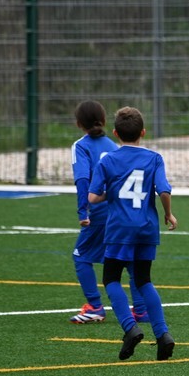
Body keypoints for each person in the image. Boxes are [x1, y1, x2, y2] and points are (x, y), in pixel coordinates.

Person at [88, 106, 177, 361]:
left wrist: (111, 193)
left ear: (115, 133)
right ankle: (163, 334)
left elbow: (93, 197)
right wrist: (168, 214)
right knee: (143, 280)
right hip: (146, 228)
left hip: (119, 228)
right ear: (143, 133)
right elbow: (163, 191)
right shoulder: (155, 158)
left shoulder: (108, 160)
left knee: (111, 278)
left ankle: (130, 328)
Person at [68, 101, 145, 325]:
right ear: (103, 120)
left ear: (78, 123)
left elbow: (83, 179)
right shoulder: (113, 146)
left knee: (81, 255)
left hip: (98, 210)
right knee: (129, 259)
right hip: (118, 211)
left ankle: (94, 306)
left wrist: (83, 211)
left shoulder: (81, 146)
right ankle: (141, 309)